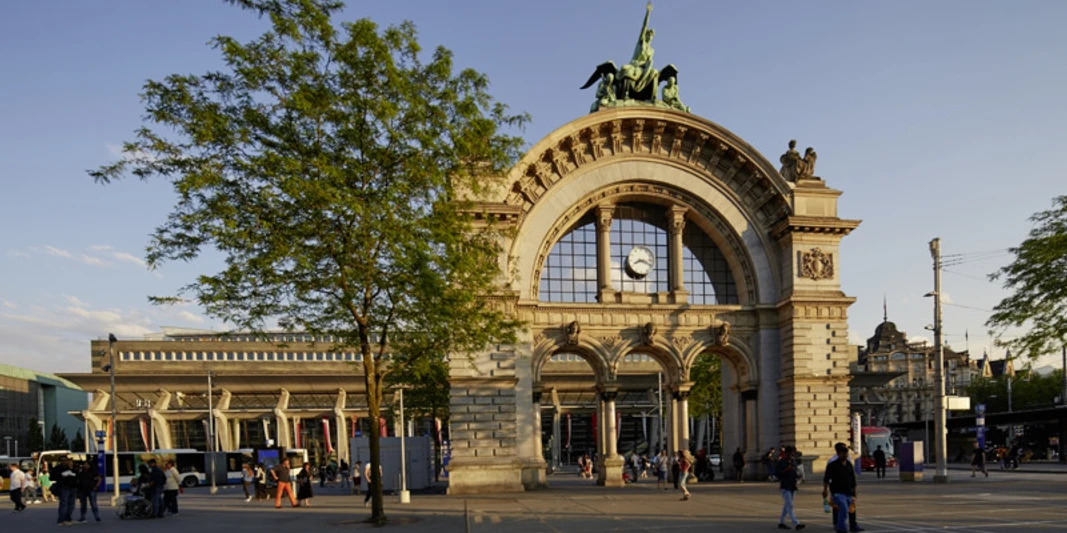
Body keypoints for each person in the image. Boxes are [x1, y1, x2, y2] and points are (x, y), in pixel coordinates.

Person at [823, 443, 858, 533]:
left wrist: (854, 491)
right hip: (837, 491)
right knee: (843, 508)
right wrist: (825, 490)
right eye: (843, 453)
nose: (845, 455)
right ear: (838, 453)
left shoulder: (849, 464)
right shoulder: (832, 464)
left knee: (850, 509)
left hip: (848, 491)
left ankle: (845, 525)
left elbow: (853, 479)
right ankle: (841, 528)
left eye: (846, 453)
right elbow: (826, 478)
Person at [775, 446, 805, 530]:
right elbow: (777, 474)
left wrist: (797, 476)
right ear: (786, 453)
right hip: (785, 486)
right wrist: (785, 470)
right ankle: (796, 523)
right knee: (790, 506)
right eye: (791, 453)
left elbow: (794, 472)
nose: (792, 455)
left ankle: (781, 522)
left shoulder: (793, 462)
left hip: (792, 486)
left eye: (793, 453)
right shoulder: (781, 462)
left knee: (787, 506)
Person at [54, 457, 79, 525]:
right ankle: (61, 520)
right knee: (64, 504)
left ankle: (68, 518)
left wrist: (71, 468)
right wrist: (62, 475)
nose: (67, 462)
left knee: (72, 504)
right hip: (64, 487)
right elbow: (52, 477)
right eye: (64, 461)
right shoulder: (58, 468)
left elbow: (77, 475)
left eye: (68, 461)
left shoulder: (73, 468)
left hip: (73, 487)